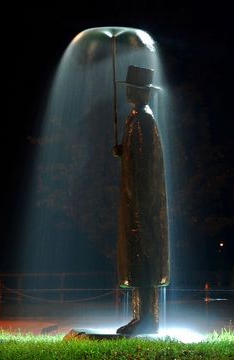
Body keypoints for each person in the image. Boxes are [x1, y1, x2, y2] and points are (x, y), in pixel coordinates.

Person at [113, 65, 169, 335]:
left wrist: (138, 200)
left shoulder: (143, 119)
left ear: (137, 90)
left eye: (131, 87)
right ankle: (140, 317)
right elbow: (138, 156)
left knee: (143, 258)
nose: (127, 91)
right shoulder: (137, 117)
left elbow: (145, 164)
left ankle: (146, 318)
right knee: (137, 259)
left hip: (141, 203)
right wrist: (124, 152)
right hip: (136, 200)